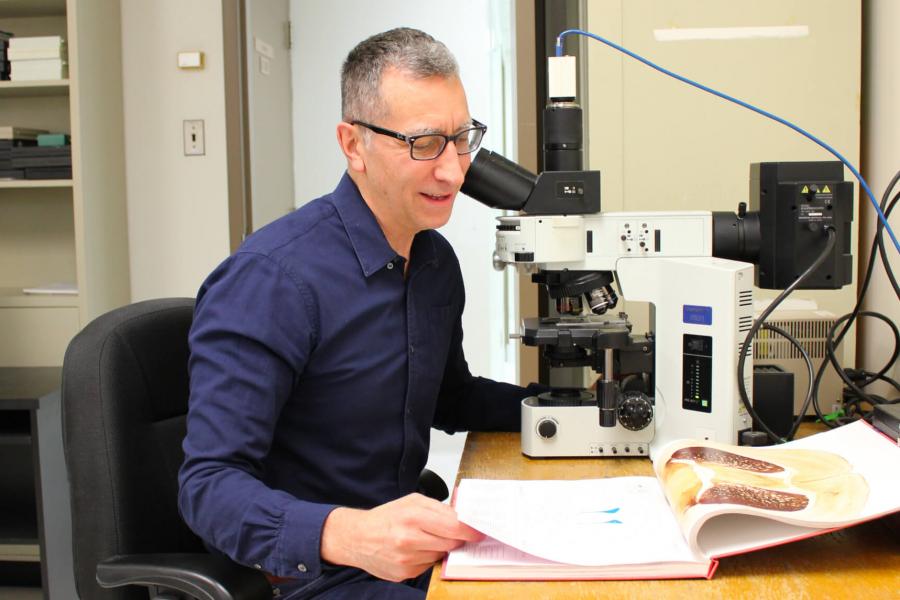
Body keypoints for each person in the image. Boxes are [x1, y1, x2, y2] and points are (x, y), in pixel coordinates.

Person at [178, 27, 542, 599]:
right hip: (312, 576)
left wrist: (568, 411)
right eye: (424, 144)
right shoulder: (273, 280)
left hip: (406, 554)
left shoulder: (432, 260)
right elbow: (208, 487)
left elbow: (450, 396)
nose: (453, 171)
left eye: (461, 138)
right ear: (354, 145)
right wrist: (349, 534)